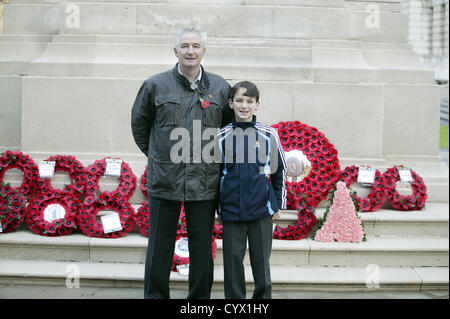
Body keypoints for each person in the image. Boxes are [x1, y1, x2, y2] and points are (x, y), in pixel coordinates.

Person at [131, 27, 233, 299]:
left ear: (203, 51)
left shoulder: (220, 87)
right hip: (165, 179)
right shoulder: (155, 85)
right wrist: (159, 156)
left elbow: (228, 131)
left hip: (204, 179)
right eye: (185, 46)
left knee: (202, 245)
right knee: (159, 245)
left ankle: (199, 301)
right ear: (175, 51)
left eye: (196, 46)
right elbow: (140, 126)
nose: (190, 51)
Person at [216, 81, 287, 299]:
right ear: (231, 103)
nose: (244, 105)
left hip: (261, 210)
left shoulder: (269, 134)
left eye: (249, 101)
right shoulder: (221, 136)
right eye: (239, 100)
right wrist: (217, 208)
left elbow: (279, 171)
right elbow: (216, 176)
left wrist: (278, 203)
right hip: (231, 211)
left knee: (261, 263)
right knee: (232, 263)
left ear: (257, 104)